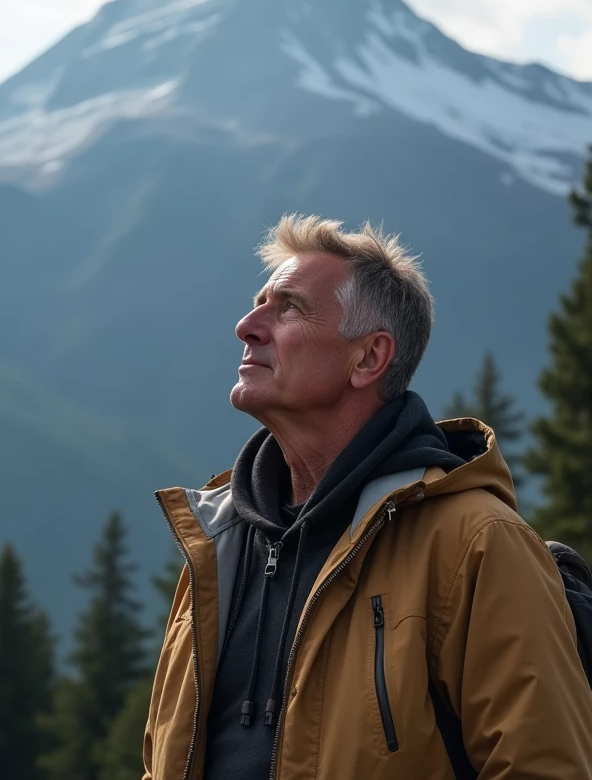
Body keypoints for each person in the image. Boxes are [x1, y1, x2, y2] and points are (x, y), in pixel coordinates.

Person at [142, 214, 592, 780]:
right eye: (258, 302)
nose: (247, 325)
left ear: (368, 358)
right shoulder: (219, 544)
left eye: (288, 308)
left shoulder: (476, 544)